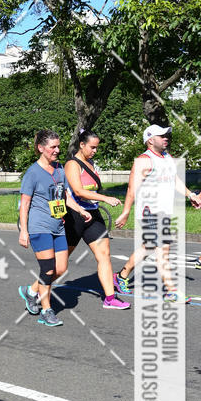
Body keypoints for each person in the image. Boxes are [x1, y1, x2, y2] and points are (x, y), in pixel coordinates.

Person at [114, 124, 201, 301]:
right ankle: (171, 290)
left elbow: (174, 179)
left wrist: (190, 194)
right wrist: (125, 212)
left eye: (167, 134)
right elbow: (132, 188)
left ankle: (121, 276)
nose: (166, 137)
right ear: (150, 140)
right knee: (163, 249)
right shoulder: (144, 160)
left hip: (164, 212)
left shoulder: (167, 157)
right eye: (162, 135)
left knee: (149, 247)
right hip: (149, 212)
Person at [18, 129, 92, 327]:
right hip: (39, 227)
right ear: (41, 148)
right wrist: (24, 231)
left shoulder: (59, 169)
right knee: (48, 269)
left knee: (61, 268)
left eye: (58, 146)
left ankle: (31, 291)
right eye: (53, 147)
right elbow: (24, 204)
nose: (57, 150)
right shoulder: (33, 173)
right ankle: (47, 310)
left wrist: (80, 210)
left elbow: (65, 195)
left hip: (58, 226)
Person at [64, 130, 130, 310]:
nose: (94, 151)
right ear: (82, 145)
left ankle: (110, 298)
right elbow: (78, 191)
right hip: (75, 216)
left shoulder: (90, 163)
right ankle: (36, 290)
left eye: (96, 147)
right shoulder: (72, 164)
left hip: (93, 214)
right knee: (61, 263)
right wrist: (105, 198)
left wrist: (98, 199)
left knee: (104, 255)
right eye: (92, 147)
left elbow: (91, 190)